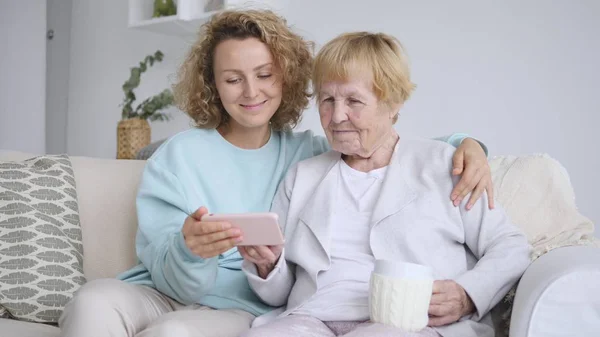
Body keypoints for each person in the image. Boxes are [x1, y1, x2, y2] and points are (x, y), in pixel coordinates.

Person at [59, 10, 494, 337]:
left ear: (285, 77)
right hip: (162, 289)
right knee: (91, 301)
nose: (251, 92)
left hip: (241, 305)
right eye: (232, 79)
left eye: (265, 74)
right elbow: (172, 279)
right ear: (212, 85)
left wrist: (468, 144)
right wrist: (190, 250)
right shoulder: (178, 155)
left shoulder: (310, 155)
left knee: (172, 333)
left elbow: (382, 141)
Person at [239, 32, 531, 337]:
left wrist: (468, 294)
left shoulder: (445, 165)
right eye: (327, 100)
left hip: (407, 322)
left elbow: (510, 247)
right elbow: (278, 294)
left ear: (392, 103)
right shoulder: (302, 177)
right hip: (311, 318)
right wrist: (268, 266)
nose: (337, 116)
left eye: (354, 101)